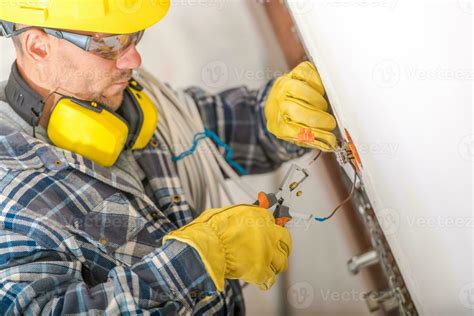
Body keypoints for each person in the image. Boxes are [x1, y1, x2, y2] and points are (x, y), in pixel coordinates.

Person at [0, 1, 337, 314]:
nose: (133, 60)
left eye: (134, 37)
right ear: (38, 46)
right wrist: (200, 262)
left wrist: (271, 117)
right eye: (110, 43)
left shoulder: (119, 100)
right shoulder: (8, 194)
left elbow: (202, 134)